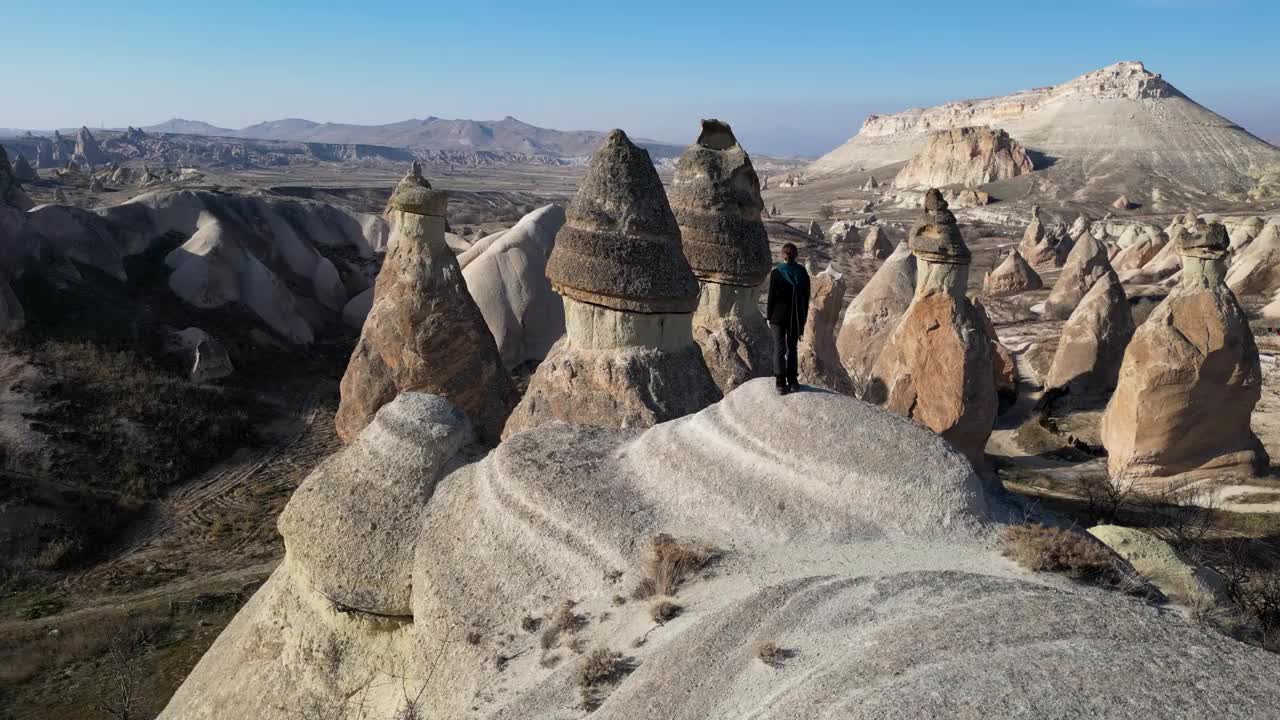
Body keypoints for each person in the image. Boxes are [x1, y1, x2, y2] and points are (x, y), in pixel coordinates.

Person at [765, 242, 810, 395]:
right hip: (795, 317)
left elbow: (772, 297)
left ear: (783, 255)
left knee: (779, 348)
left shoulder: (776, 273)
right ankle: (793, 381)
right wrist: (803, 319)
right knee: (792, 348)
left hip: (778, 317)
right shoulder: (802, 273)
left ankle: (780, 382)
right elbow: (805, 298)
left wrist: (769, 316)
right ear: (796, 255)